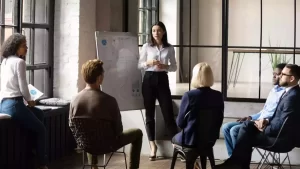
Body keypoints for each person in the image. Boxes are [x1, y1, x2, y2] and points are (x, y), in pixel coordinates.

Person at [214, 64, 300, 169]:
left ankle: (237, 163)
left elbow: (283, 126)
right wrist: (265, 122)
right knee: (247, 126)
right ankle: (236, 163)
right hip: (275, 133)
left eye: (283, 74)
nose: (279, 76)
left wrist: (263, 128)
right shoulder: (290, 93)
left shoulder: (292, 97)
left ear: (291, 78)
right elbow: (280, 119)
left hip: (280, 140)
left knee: (244, 131)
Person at [69, 59, 143, 169]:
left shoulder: (74, 100)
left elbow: (71, 125)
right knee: (138, 133)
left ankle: (94, 167)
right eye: (102, 75)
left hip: (85, 144)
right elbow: (118, 130)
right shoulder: (109, 100)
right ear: (99, 78)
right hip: (108, 145)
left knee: (90, 134)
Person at [0, 33, 48, 169]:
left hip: (4, 104)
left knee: (40, 114)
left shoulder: (5, 61)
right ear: (15, 47)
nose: (26, 48)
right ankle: (42, 163)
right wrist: (30, 100)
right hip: (15, 104)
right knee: (42, 129)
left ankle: (31, 153)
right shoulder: (20, 62)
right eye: (23, 46)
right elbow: (23, 86)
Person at [221, 63, 286, 157]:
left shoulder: (285, 94)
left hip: (264, 125)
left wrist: (259, 121)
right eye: (273, 73)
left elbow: (275, 116)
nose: (274, 76)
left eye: (277, 74)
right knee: (226, 127)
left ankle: (240, 162)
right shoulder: (274, 90)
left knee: (234, 130)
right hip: (256, 120)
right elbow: (264, 111)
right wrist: (250, 117)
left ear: (283, 75)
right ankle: (233, 160)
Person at [138, 21, 178, 160]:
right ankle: (152, 146)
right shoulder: (146, 46)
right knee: (149, 114)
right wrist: (147, 63)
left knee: (168, 112)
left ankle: (175, 144)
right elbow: (139, 64)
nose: (156, 33)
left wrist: (165, 66)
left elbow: (174, 67)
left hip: (162, 79)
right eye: (154, 30)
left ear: (164, 32)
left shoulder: (169, 48)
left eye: (159, 30)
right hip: (148, 79)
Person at [172, 63, 224, 169]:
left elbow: (180, 123)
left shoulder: (189, 96)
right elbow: (219, 119)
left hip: (191, 140)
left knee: (174, 140)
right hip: (209, 140)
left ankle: (193, 161)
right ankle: (197, 162)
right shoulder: (218, 96)